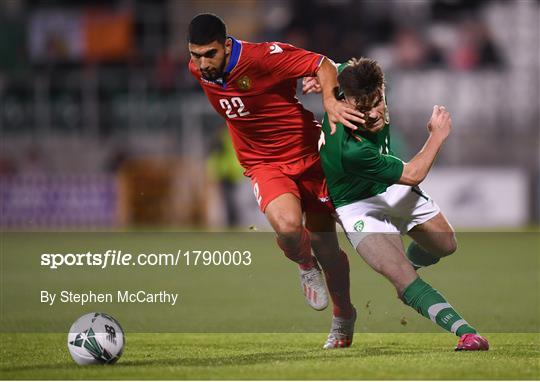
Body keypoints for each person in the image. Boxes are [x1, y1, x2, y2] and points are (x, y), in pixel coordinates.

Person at [187, 14, 363, 349]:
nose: (202, 63)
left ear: (226, 46)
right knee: (287, 227)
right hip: (263, 163)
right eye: (195, 55)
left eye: (209, 54)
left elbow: (323, 64)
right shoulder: (197, 68)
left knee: (328, 244)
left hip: (309, 155)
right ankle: (304, 263)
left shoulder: (263, 57)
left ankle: (343, 316)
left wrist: (329, 99)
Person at [315, 57, 489, 351]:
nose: (372, 114)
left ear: (381, 88)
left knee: (445, 244)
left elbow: (333, 66)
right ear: (346, 101)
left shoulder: (357, 80)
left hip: (388, 186)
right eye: (362, 109)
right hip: (356, 204)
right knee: (402, 278)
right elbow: (412, 174)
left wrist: (318, 81)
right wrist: (437, 135)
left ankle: (409, 267)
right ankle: (466, 333)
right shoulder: (348, 148)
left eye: (377, 102)